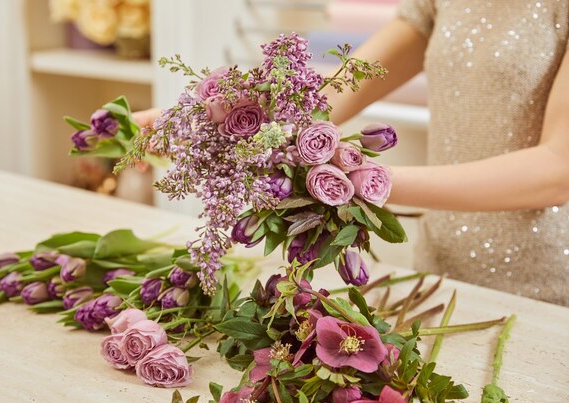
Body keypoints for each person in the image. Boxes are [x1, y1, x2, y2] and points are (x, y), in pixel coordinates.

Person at [134, 0, 569, 305]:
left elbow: (557, 170)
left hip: (545, 293)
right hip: (440, 272)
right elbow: (332, 94)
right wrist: (203, 120)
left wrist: (362, 182)